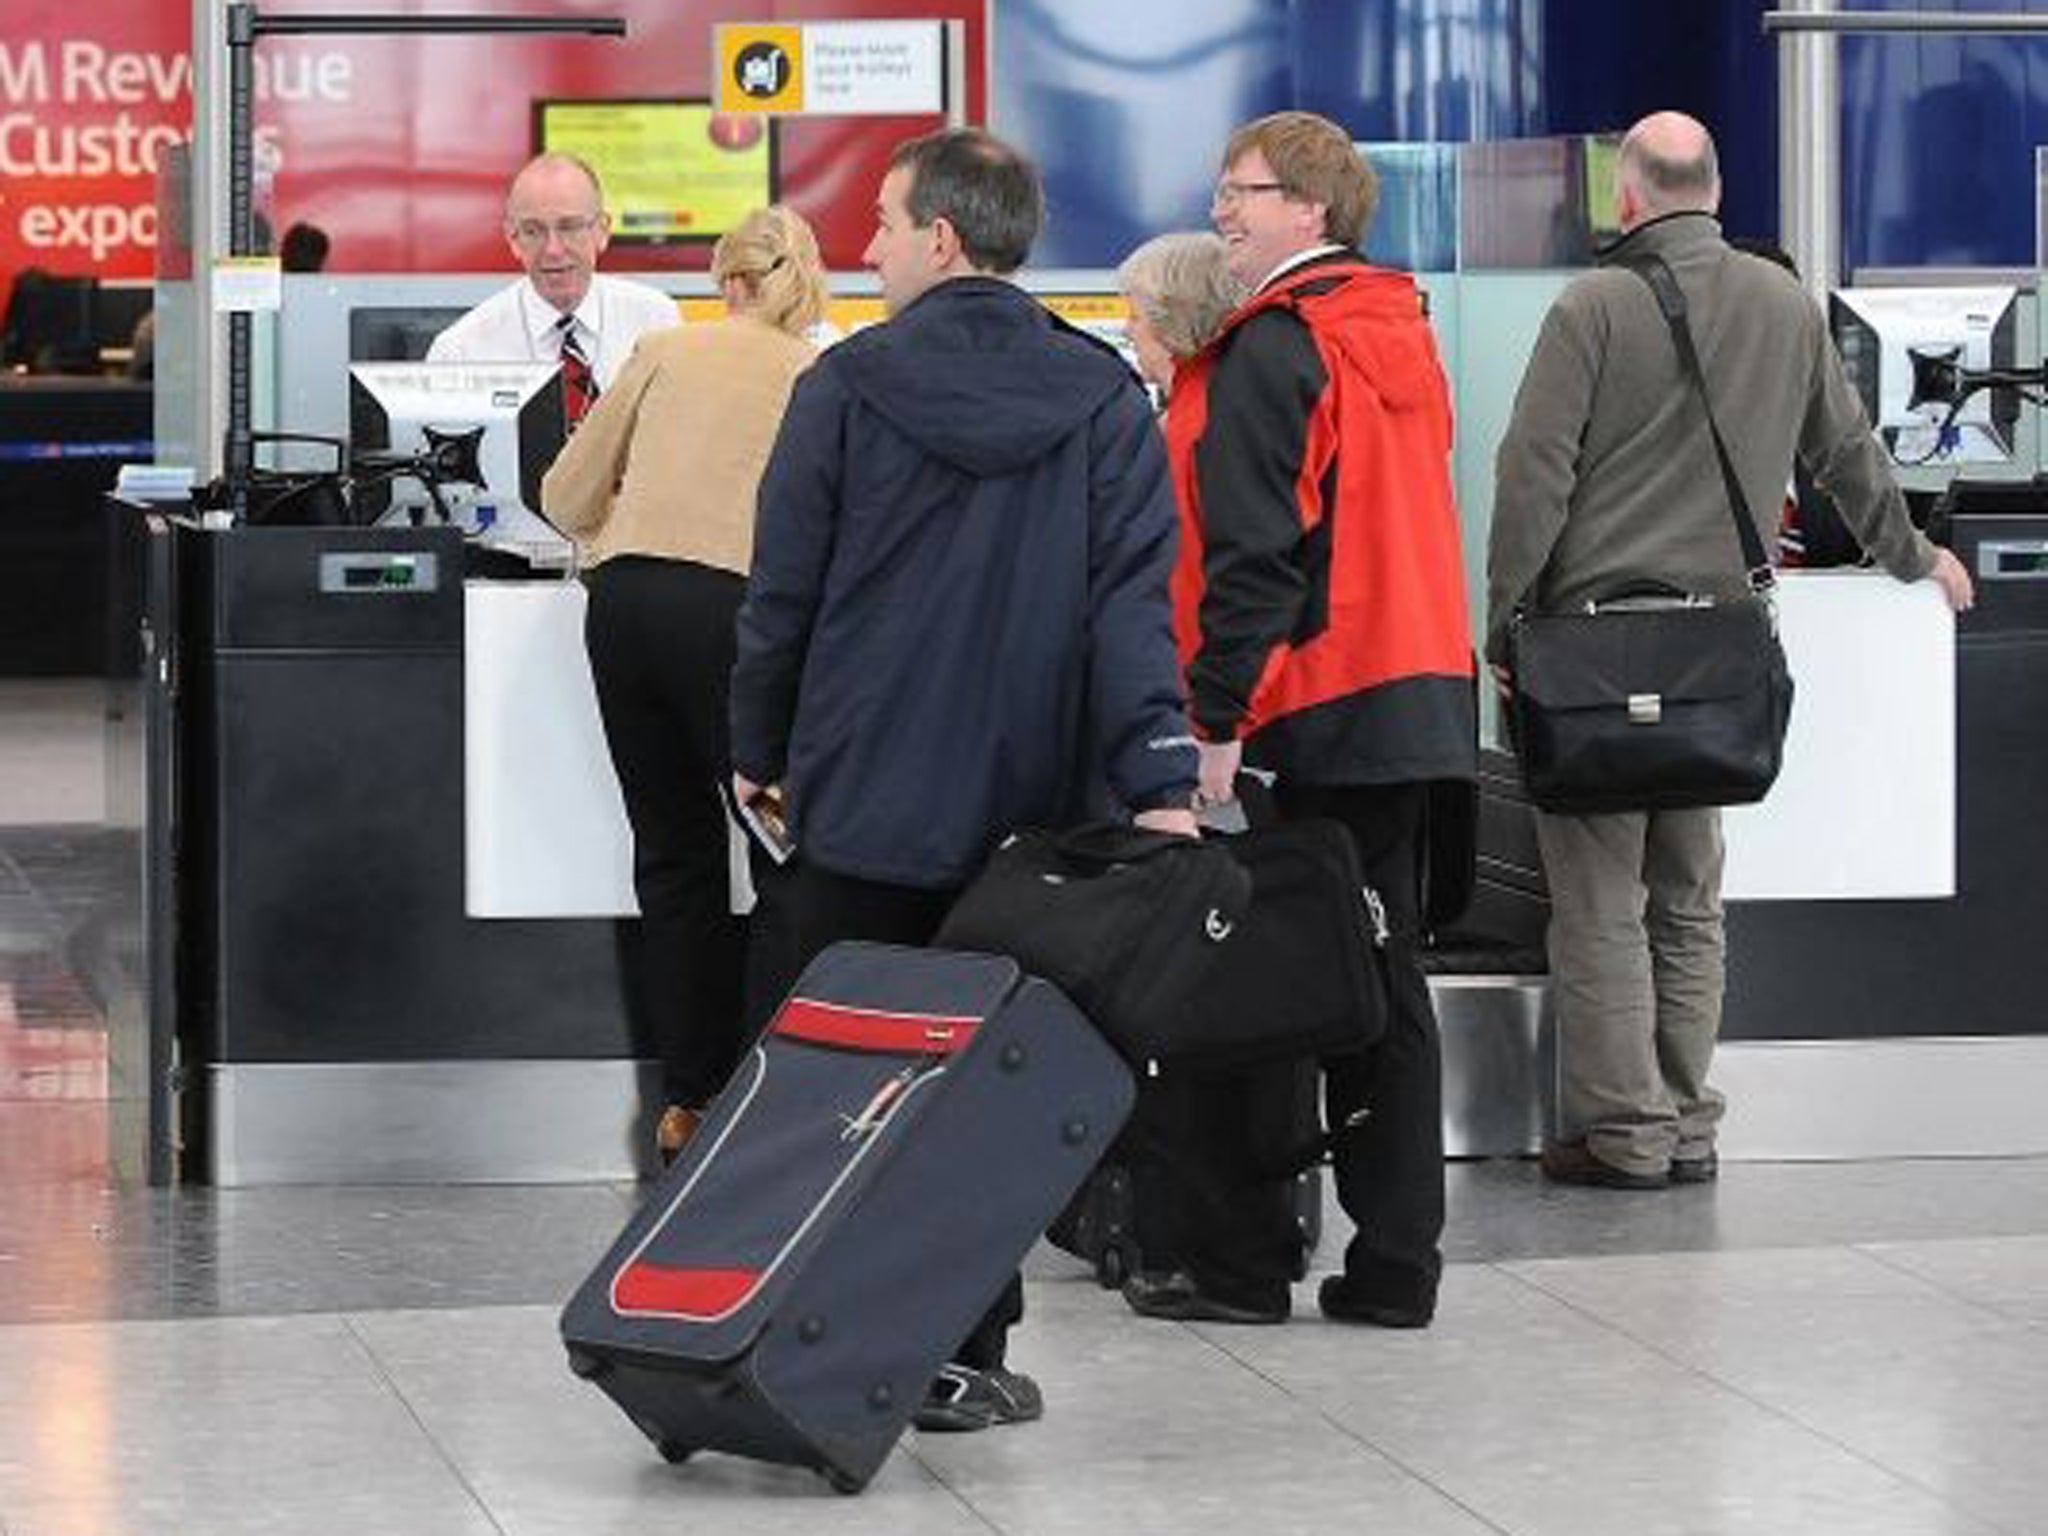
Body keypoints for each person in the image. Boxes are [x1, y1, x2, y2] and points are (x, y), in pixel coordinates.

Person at [728, 127, 1199, 1432]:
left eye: (881, 223)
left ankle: (811, 1340)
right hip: (1036, 820)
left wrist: (758, 749)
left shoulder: (845, 387)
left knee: (838, 1087)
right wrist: (1156, 772)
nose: (866, 248)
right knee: (990, 1095)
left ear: (941, 238)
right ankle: (969, 1352)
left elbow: (786, 596)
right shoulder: (1105, 398)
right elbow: (1130, 614)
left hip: (865, 800)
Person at [1485, 111, 1974, 1190]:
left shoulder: (1591, 307)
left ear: (1627, 195)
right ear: (1713, 187)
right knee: (1689, 895)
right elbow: (1845, 454)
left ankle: (1623, 1135)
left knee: (1600, 903)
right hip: (1712, 650)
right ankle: (1688, 1120)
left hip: (1594, 653)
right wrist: (1914, 557)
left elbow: (1531, 479)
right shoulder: (1777, 304)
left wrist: (1502, 622)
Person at [1121, 112, 1477, 1334]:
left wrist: (1214, 717)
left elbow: (1255, 555)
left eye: (1244, 193)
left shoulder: (1275, 346)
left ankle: (1237, 1262)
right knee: (1382, 985)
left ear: (1310, 211)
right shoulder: (1395, 329)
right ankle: (1395, 1263)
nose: (1221, 210)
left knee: (1265, 985)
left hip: (1306, 704)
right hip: (1415, 690)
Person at [538, 206, 827, 1165]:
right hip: (739, 619)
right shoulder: (817, 374)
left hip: (623, 607)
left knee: (673, 856)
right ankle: (768, 1084)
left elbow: (565, 495)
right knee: (786, 852)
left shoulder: (666, 349)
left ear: (726, 283)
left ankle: (687, 1101)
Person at [428, 154, 678, 421]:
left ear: (602, 231)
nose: (553, 250)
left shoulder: (657, 321)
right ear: (513, 239)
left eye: (570, 227)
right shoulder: (461, 350)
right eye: (534, 231)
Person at [1115, 231, 1244, 394]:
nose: (1126, 331)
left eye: (1135, 316)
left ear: (1173, 319)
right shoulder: (1238, 396)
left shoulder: (1206, 412)